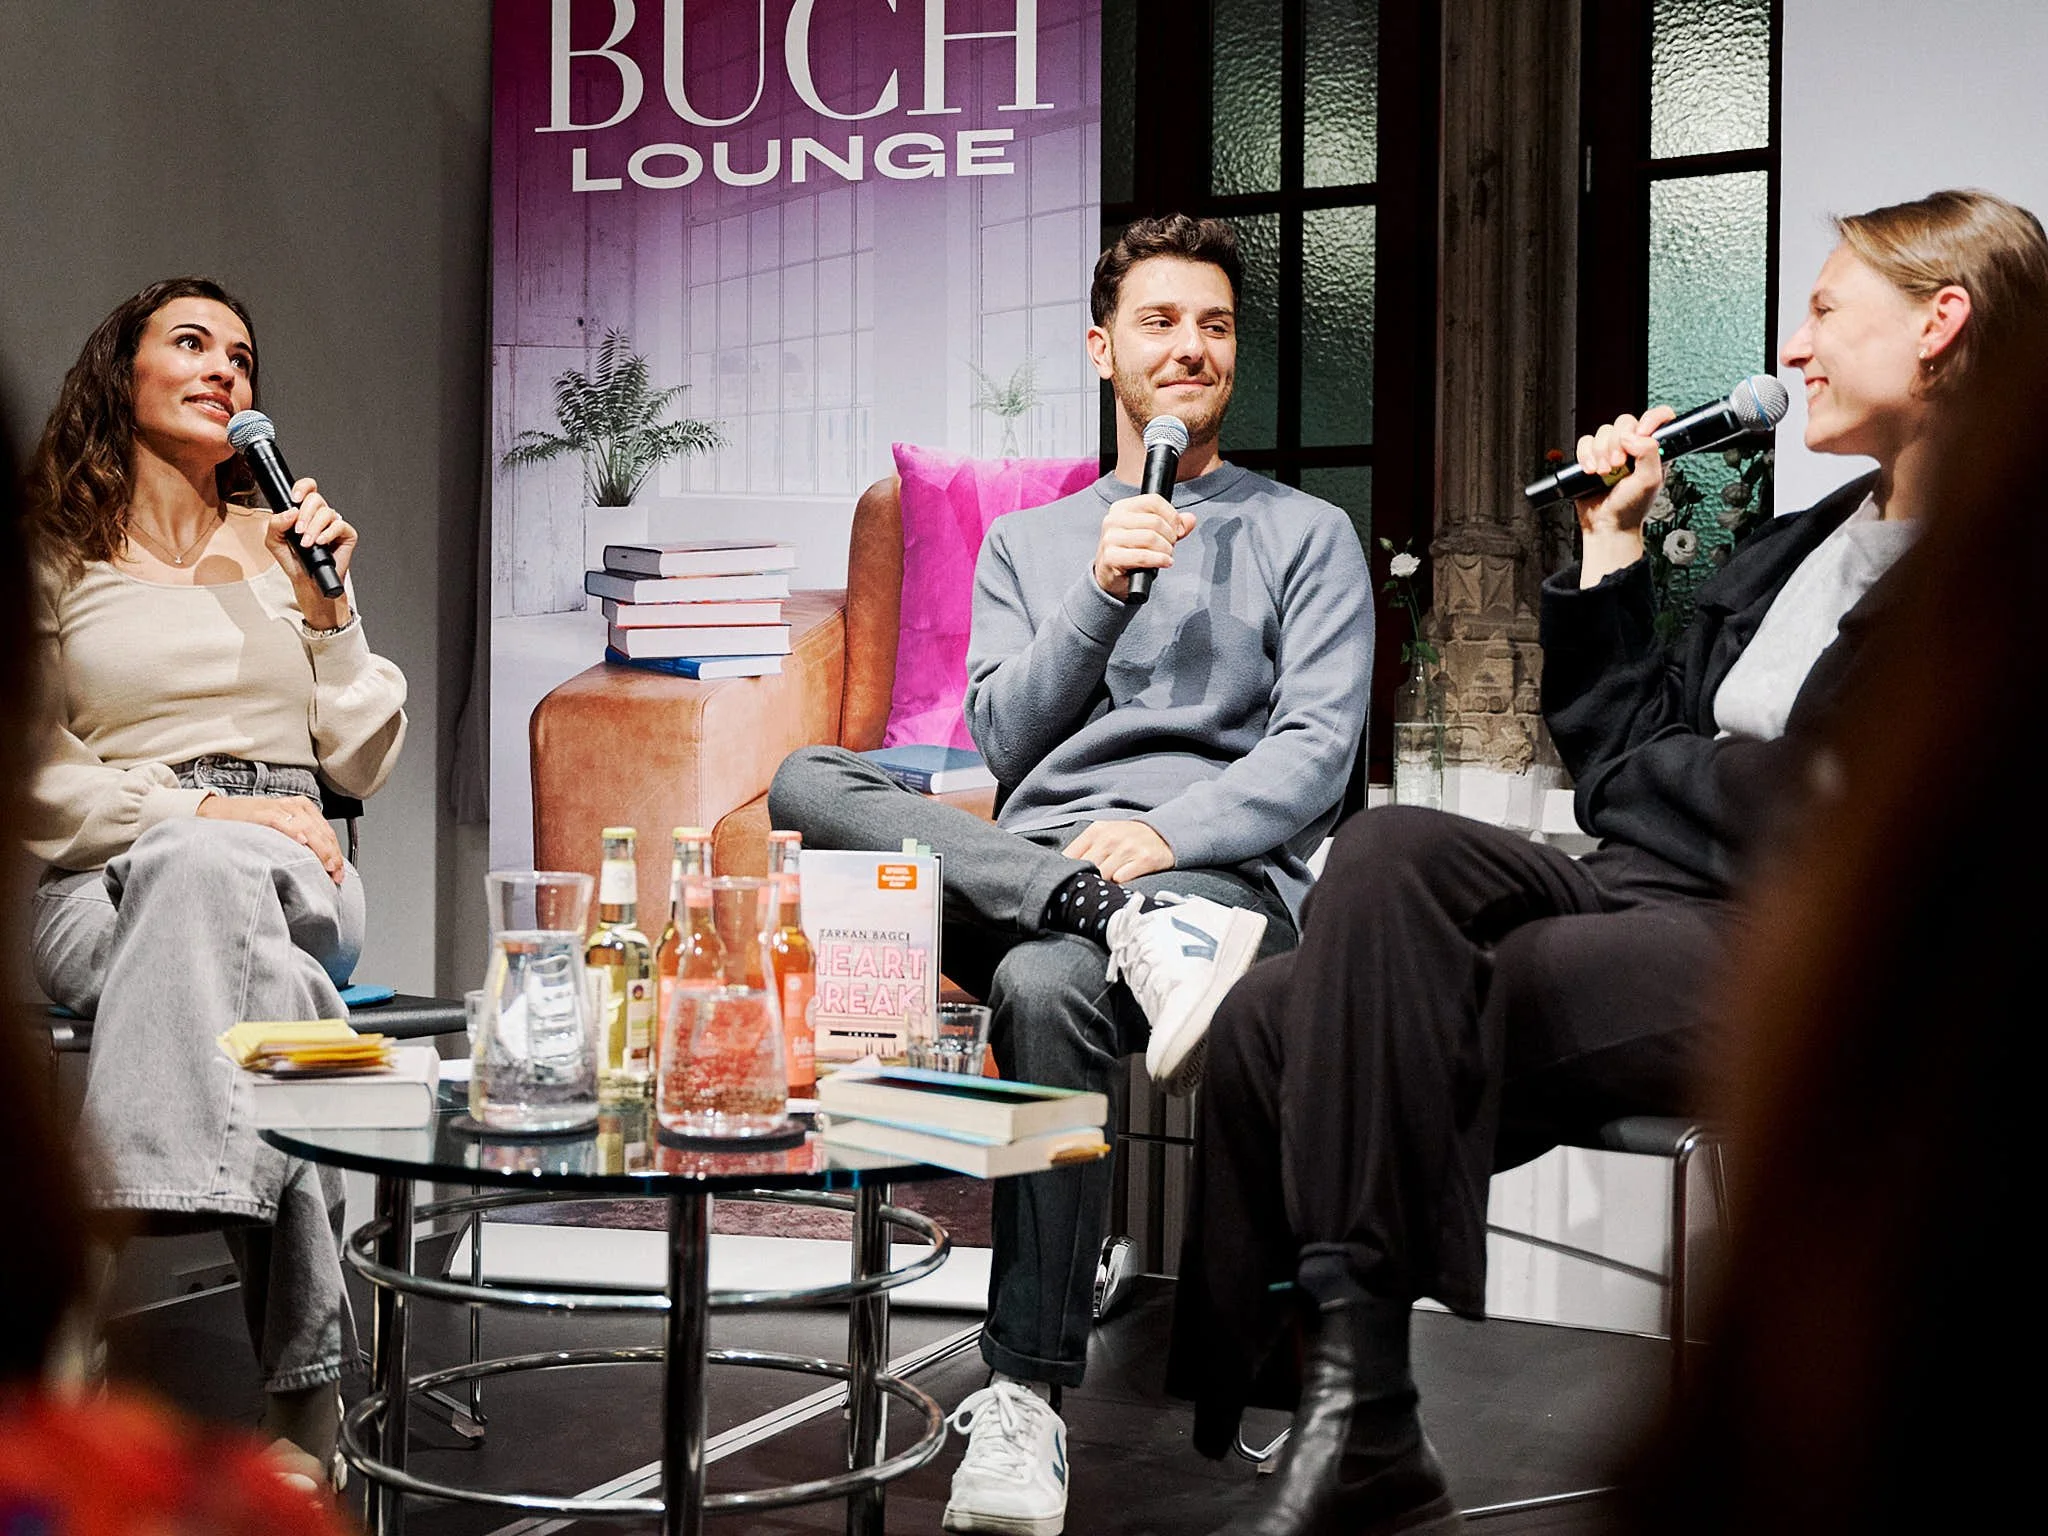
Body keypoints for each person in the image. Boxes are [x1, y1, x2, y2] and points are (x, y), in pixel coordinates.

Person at [1166, 187, 2048, 1536]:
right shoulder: (1790, 554)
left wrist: (1675, 775)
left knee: (1311, 1017)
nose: (1794, 351)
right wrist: (1612, 546)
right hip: (1640, 887)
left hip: (1779, 943)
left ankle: (1364, 1417)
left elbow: (1824, 812)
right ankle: (1358, 1414)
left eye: (1822, 311)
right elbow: (1625, 748)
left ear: (1941, 324)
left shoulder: (1988, 580)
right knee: (1378, 859)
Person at [769, 213, 1373, 1535]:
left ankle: (1028, 1401)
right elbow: (1002, 738)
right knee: (811, 780)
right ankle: (1088, 911)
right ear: (1104, 350)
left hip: (1219, 897)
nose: (1191, 347)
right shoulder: (1031, 548)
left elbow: (1319, 752)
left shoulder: (1305, 535)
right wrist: (1101, 589)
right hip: (1036, 874)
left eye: (1214, 325)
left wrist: (1164, 840)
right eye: (1160, 322)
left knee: (1047, 991)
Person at [20, 276, 409, 1478]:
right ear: (118, 375)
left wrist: (331, 613)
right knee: (258, 975)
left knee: (223, 882)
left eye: (241, 357)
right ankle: (307, 1399)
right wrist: (202, 808)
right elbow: (33, 771)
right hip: (107, 874)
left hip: (304, 861)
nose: (224, 371)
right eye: (190, 344)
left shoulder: (287, 544)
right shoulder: (53, 555)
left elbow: (358, 757)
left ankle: (69, 1336)